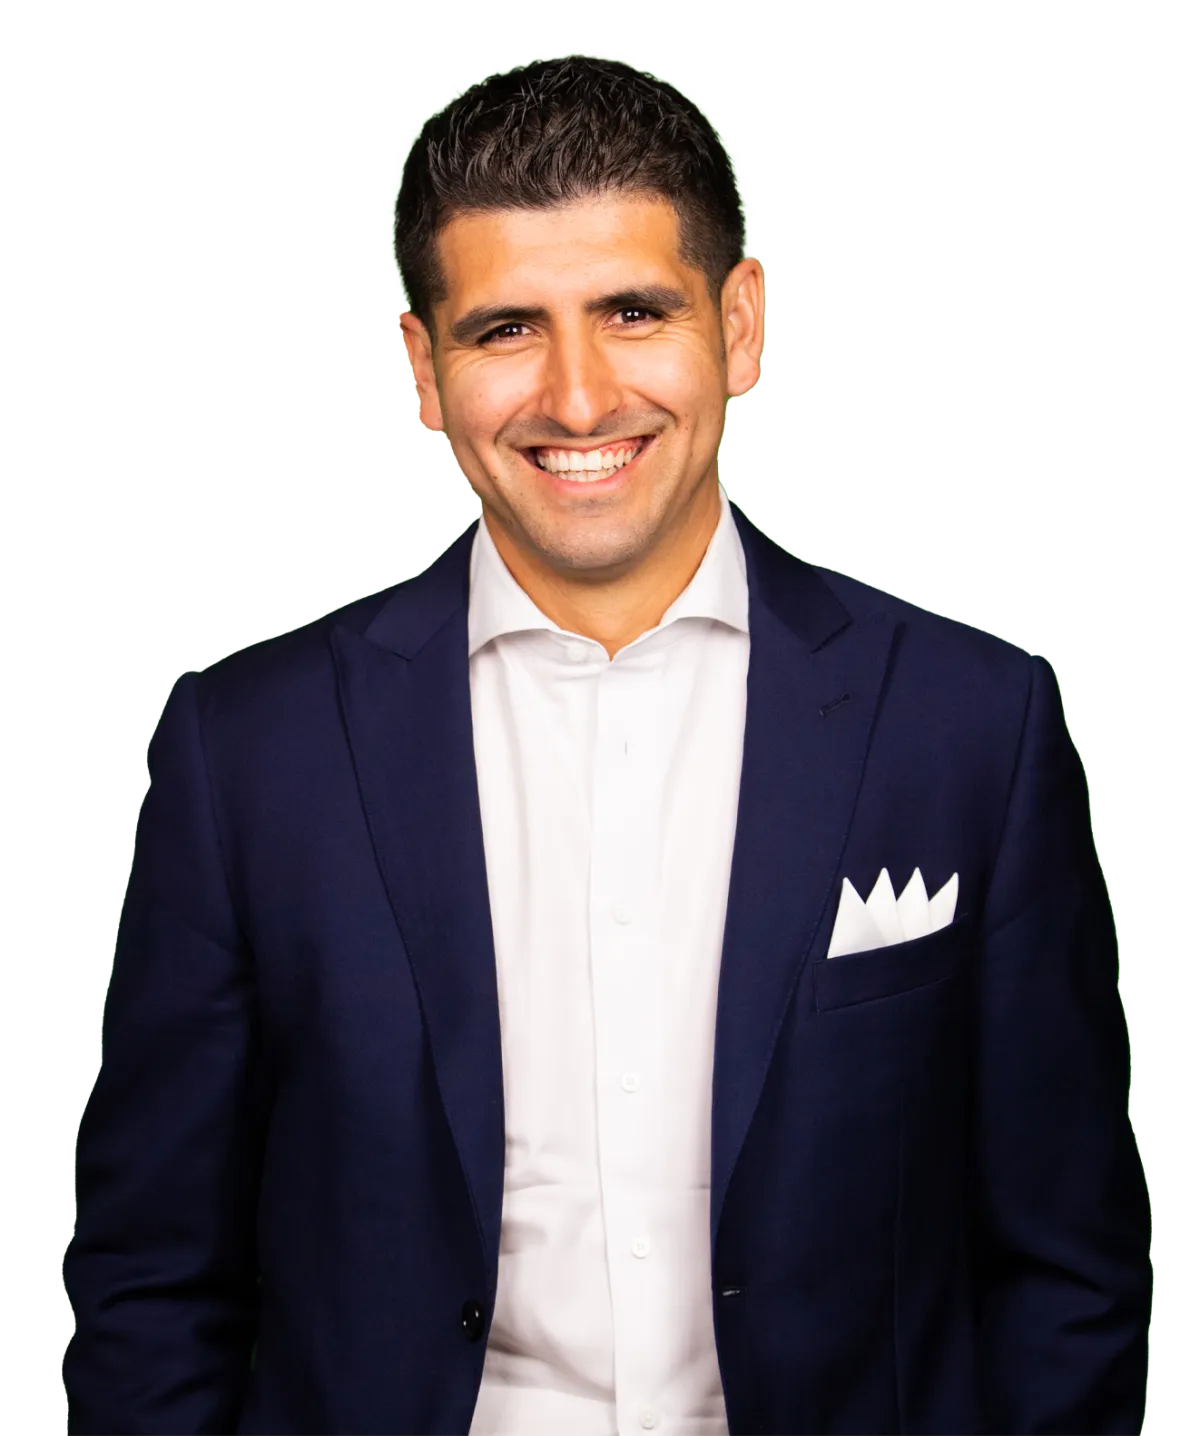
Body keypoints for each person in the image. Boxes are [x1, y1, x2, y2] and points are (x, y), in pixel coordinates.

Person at [62, 52, 1151, 1436]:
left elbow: (1067, 1263)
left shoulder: (971, 723)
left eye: (634, 313)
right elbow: (153, 1276)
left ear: (738, 325)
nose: (578, 400)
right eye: (506, 329)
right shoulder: (245, 749)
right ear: (422, 367)